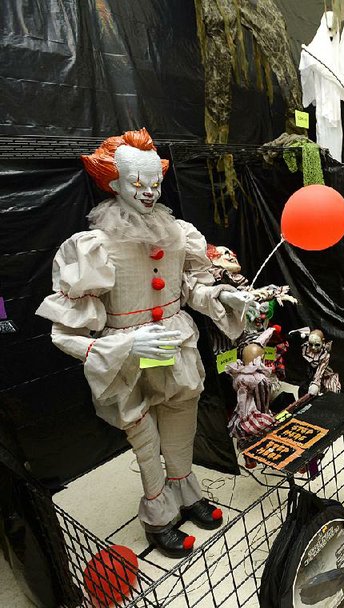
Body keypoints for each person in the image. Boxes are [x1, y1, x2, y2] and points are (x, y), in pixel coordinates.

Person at [36, 128, 254, 558]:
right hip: (128, 361)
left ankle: (187, 495)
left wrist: (221, 296)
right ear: (114, 184)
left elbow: (187, 289)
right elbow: (64, 334)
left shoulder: (177, 233)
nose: (149, 192)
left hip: (176, 349)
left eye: (155, 182)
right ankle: (158, 516)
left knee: (180, 429)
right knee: (146, 442)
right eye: (138, 183)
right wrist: (121, 348)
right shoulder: (95, 246)